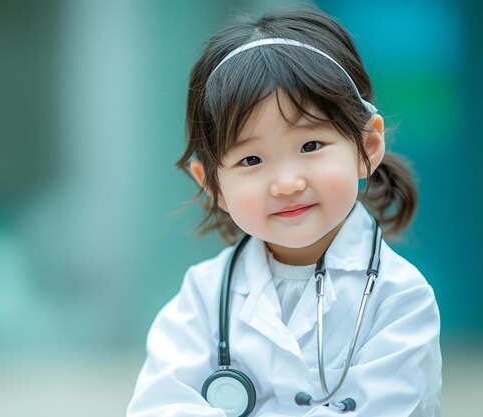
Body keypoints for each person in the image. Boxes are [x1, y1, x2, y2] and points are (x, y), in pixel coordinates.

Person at [127, 7, 441, 417]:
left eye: (310, 146)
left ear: (367, 148)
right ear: (211, 183)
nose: (286, 183)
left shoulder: (399, 299)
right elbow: (160, 405)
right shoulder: (203, 298)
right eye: (251, 160)